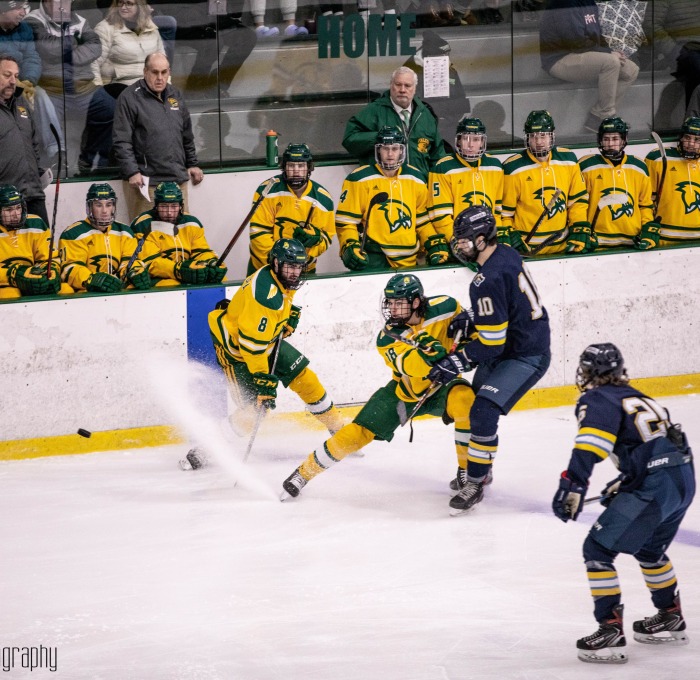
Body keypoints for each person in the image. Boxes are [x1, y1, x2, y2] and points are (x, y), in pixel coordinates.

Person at [552, 342, 694, 664]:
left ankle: (610, 630)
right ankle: (670, 614)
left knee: (597, 550)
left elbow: (590, 446)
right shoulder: (640, 397)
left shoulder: (597, 398)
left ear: (586, 372)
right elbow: (661, 447)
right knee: (649, 550)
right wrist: (629, 480)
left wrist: (572, 485)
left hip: (657, 485)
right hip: (683, 479)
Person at [280, 272, 476, 502]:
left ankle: (468, 473)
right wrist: (431, 353)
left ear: (416, 302)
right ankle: (303, 473)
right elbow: (413, 367)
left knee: (467, 401)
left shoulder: (447, 307)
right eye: (390, 303)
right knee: (357, 433)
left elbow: (468, 336)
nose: (392, 309)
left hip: (444, 387)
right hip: (405, 392)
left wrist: (470, 327)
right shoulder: (388, 336)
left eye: (398, 303)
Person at [426, 205, 551, 515]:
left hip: (526, 353)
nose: (460, 245)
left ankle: (476, 481)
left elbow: (492, 344)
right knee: (471, 405)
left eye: (465, 239)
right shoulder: (505, 253)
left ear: (482, 240)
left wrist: (457, 361)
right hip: (515, 342)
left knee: (483, 410)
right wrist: (473, 316)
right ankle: (479, 466)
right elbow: (508, 304)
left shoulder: (485, 279)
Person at [193, 237, 346, 470]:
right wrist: (263, 382)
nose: (295, 273)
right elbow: (251, 347)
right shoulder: (265, 297)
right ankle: (207, 448)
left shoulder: (279, 276)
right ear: (276, 263)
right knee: (254, 411)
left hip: (266, 341)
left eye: (298, 267)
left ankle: (338, 429)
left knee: (305, 378)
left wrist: (288, 314)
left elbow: (284, 296)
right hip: (238, 353)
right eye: (290, 267)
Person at [336, 125, 449, 271]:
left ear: (402, 150)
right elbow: (346, 222)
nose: (390, 154)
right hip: (375, 257)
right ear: (378, 150)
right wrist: (349, 244)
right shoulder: (358, 179)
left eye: (395, 149)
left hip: (410, 259)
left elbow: (422, 220)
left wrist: (433, 243)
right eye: (385, 148)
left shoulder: (416, 178)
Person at [112, 52, 203, 221]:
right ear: (145, 71)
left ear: (169, 72)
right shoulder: (129, 97)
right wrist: (132, 171)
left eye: (164, 72)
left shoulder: (175, 95)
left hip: (177, 181)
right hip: (146, 183)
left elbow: (186, 134)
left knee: (181, 233)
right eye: (155, 72)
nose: (160, 77)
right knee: (146, 235)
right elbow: (121, 140)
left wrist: (192, 163)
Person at [79, 0, 164, 174]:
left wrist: (166, 86)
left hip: (148, 84)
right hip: (118, 82)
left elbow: (161, 59)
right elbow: (94, 62)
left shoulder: (150, 26)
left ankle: (153, 160)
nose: (123, 7)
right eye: (120, 3)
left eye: (129, 3)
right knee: (138, 108)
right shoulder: (106, 28)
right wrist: (96, 89)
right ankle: (108, 161)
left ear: (139, 6)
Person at [539, 0, 639, 134]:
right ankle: (606, 116)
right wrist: (609, 54)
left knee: (631, 70)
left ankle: (596, 117)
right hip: (559, 59)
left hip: (584, 54)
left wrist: (613, 51)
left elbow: (597, 36)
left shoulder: (589, 2)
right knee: (610, 62)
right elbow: (575, 43)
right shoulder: (563, 3)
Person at [26, 0, 102, 175]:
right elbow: (48, 48)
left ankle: (92, 162)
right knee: (45, 108)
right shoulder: (32, 20)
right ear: (45, 2)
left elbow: (95, 48)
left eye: (67, 1)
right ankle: (56, 165)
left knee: (110, 108)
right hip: (53, 88)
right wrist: (75, 41)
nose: (62, 5)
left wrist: (66, 54)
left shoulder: (81, 21)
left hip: (84, 88)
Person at [501, 110, 592, 256]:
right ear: (527, 138)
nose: (538, 142)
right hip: (526, 249)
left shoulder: (568, 160)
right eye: (533, 137)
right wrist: (511, 234)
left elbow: (577, 202)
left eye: (543, 136)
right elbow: (505, 214)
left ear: (551, 136)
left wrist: (579, 226)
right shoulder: (513, 168)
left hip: (563, 248)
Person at [342, 66, 446, 181]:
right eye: (398, 84)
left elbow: (438, 155)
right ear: (391, 85)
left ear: (415, 88)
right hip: (382, 186)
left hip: (418, 187)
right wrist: (379, 138)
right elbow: (349, 140)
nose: (402, 89)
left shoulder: (425, 114)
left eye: (407, 86)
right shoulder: (375, 110)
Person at [247, 143, 335, 275]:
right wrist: (278, 261)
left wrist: (314, 240)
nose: (296, 171)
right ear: (284, 167)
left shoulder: (323, 199)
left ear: (309, 168)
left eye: (301, 166)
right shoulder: (267, 190)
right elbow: (258, 231)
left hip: (301, 269)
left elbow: (326, 237)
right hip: (266, 266)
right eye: (291, 165)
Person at [578, 116, 658, 250]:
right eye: (606, 139)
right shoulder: (585, 166)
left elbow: (645, 205)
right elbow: (579, 205)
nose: (610, 144)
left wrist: (647, 229)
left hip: (632, 242)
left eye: (615, 139)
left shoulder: (639, 167)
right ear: (600, 141)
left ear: (624, 140)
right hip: (597, 242)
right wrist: (582, 231)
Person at [59, 182, 151, 294]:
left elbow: (129, 261)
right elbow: (70, 268)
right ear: (90, 207)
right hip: (86, 290)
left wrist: (135, 272)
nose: (104, 211)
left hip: (117, 288)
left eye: (108, 205)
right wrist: (92, 279)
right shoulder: (74, 234)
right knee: (64, 290)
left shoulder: (125, 232)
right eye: (98, 205)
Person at [130, 181, 226, 287]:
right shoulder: (143, 224)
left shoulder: (192, 223)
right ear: (156, 205)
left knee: (220, 279)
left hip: (185, 274)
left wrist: (211, 261)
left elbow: (201, 252)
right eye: (164, 206)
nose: (169, 212)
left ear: (181, 206)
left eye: (174, 206)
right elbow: (151, 263)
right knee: (172, 285)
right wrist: (178, 269)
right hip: (156, 278)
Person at [157, 0, 256, 100]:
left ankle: (218, 84)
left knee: (248, 37)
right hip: (186, 21)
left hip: (214, 17)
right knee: (213, 42)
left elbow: (235, 12)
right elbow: (169, 10)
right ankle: (194, 87)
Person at [428, 116, 504, 246]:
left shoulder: (495, 166)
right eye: (465, 138)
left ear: (482, 142)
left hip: (487, 241)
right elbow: (440, 216)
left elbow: (496, 212)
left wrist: (495, 239)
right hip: (457, 241)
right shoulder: (443, 168)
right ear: (458, 141)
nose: (470, 144)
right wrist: (457, 242)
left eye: (476, 139)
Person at [0, 53, 48, 224]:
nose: (13, 81)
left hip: (33, 194)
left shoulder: (21, 103)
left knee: (43, 248)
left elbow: (33, 144)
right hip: (5, 200)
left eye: (16, 76)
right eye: (7, 75)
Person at [402, 30, 470, 145]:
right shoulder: (409, 74)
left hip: (449, 130)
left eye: (447, 54)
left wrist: (448, 119)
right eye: (443, 55)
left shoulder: (450, 71)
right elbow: (412, 107)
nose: (446, 58)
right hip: (421, 132)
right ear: (429, 56)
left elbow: (461, 100)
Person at [644, 117, 700, 246]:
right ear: (680, 138)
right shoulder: (658, 158)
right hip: (666, 236)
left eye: (697, 140)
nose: (691, 143)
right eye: (687, 138)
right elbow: (646, 199)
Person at [0, 183, 62, 298]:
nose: (15, 214)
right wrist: (14, 274)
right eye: (9, 210)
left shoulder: (36, 224)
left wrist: (50, 272)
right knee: (10, 294)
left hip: (32, 282)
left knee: (64, 289)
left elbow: (51, 258)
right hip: (4, 285)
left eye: (18, 208)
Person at [643, 0, 700, 110]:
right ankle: (693, 120)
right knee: (696, 66)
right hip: (683, 50)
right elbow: (651, 25)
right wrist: (674, 50)